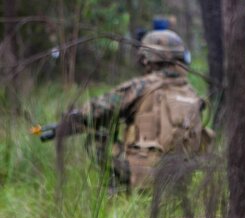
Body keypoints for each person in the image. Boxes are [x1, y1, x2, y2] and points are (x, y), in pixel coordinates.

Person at [54, 29, 213, 191]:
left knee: (97, 138)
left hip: (145, 178)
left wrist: (72, 119)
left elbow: (95, 110)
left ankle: (117, 191)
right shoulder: (191, 92)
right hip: (181, 180)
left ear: (148, 59)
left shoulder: (141, 86)